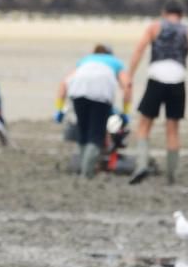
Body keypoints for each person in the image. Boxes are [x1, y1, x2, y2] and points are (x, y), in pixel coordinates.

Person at [127, 1, 188, 185]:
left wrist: (129, 75)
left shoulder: (154, 27)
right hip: (178, 79)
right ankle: (171, 174)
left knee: (144, 124)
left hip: (156, 77)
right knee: (173, 129)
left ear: (164, 12)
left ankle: (142, 165)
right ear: (182, 15)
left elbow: (139, 50)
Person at [54, 44, 132, 178]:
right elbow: (127, 85)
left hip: (78, 91)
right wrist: (125, 111)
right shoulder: (115, 62)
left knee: (83, 132)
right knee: (96, 135)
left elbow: (64, 83)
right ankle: (87, 172)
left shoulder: (85, 61)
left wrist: (59, 109)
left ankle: (84, 168)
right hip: (102, 93)